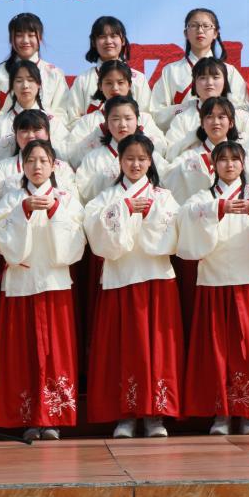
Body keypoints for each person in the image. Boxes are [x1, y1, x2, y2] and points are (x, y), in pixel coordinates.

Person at [84, 134, 183, 438]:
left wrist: (150, 212)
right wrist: (124, 208)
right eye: (129, 158)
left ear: (150, 161)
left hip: (156, 277)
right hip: (120, 277)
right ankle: (124, 415)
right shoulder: (108, 197)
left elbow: (175, 229)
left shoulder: (163, 196)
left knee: (156, 348)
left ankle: (155, 415)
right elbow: (92, 224)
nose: (135, 164)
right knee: (122, 348)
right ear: (120, 161)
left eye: (141, 159)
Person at [177, 140, 249, 435]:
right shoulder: (203, 197)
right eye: (223, 159)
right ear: (213, 165)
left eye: (235, 159)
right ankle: (220, 413)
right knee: (217, 349)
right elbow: (186, 216)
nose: (229, 164)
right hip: (214, 279)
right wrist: (216, 208)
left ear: (243, 164)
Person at [0, 139, 86, 440]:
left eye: (43, 160)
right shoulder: (10, 200)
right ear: (22, 165)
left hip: (54, 283)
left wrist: (55, 211)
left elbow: (76, 241)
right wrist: (22, 212)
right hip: (21, 283)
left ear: (54, 165)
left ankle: (53, 417)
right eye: (31, 160)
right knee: (23, 353)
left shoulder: (66, 198)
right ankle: (29, 418)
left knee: (55, 351)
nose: (37, 166)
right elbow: (1, 239)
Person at [150, 8, 249, 128]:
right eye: (194, 25)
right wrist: (188, 107)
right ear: (186, 33)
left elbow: (246, 110)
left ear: (215, 33)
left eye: (206, 26)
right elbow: (156, 114)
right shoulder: (171, 71)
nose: (200, 30)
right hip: (183, 134)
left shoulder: (229, 71)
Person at [163, 97, 249, 203]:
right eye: (209, 117)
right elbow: (168, 179)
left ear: (231, 123)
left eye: (221, 117)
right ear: (202, 123)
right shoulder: (191, 155)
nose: (216, 122)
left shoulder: (245, 153)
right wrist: (205, 160)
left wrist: (237, 160)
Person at [66, 60, 167, 165]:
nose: (115, 88)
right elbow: (74, 158)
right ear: (100, 86)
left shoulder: (144, 119)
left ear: (129, 85)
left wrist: (138, 136)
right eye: (109, 83)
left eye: (120, 83)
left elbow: (161, 148)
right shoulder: (88, 121)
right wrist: (100, 132)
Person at [165, 58, 249, 158]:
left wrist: (229, 149)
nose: (209, 83)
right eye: (203, 78)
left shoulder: (240, 116)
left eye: (215, 77)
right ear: (194, 83)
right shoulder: (182, 119)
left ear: (225, 82)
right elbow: (170, 155)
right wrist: (194, 136)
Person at [76, 96, 169, 205]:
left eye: (128, 118)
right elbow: (83, 194)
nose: (122, 125)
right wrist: (108, 176)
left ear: (137, 120)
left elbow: (166, 182)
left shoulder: (151, 156)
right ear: (106, 122)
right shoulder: (92, 158)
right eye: (116, 119)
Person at [0, 13, 67, 128]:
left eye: (31, 35)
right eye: (19, 35)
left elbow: (62, 114)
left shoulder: (54, 73)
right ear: (11, 39)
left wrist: (41, 131)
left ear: (40, 38)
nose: (25, 40)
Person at [0, 59, 69, 162]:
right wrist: (12, 141)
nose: (25, 86)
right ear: (11, 86)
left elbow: (65, 155)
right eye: (19, 81)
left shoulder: (53, 122)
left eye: (30, 80)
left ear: (39, 84)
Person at [64, 16, 152, 121]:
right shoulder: (83, 80)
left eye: (113, 36)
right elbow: (72, 120)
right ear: (93, 42)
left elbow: (145, 118)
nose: (108, 41)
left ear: (123, 40)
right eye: (102, 37)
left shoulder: (138, 79)